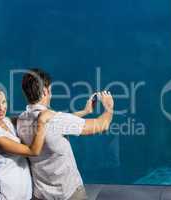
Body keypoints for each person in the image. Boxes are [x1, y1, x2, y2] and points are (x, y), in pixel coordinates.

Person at [17, 68, 114, 200]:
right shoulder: (53, 119)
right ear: (45, 91)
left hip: (40, 195)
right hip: (68, 194)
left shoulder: (21, 120)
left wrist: (84, 111)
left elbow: (58, 126)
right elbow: (102, 125)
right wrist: (109, 107)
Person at [0, 85, 55, 200]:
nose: (1, 108)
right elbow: (33, 151)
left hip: (23, 190)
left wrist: (81, 114)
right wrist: (41, 121)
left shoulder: (7, 121)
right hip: (7, 193)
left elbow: (30, 118)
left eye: (3, 102)